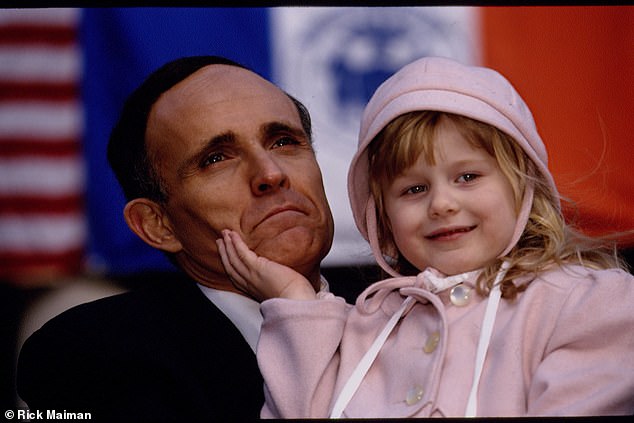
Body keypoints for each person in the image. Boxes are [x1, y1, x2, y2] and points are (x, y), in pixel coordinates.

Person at [217, 56, 634, 417]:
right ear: (382, 217)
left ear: (524, 187)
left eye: (467, 177)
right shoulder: (362, 327)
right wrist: (295, 303)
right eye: (414, 189)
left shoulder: (590, 303)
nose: (442, 204)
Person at [17, 55, 334, 421]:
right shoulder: (89, 353)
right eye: (216, 158)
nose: (271, 173)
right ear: (157, 224)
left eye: (282, 142)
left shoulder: (400, 316)